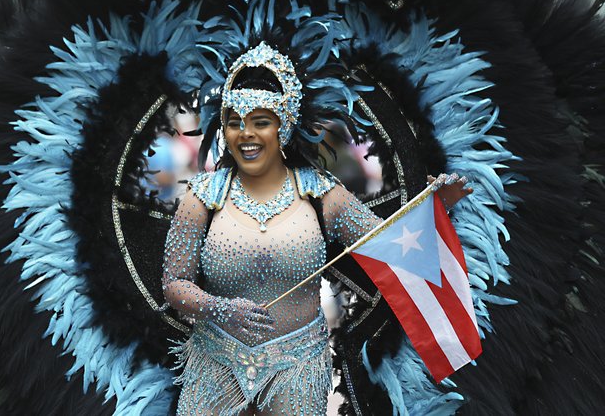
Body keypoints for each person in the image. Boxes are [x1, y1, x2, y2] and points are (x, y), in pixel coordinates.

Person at [161, 43, 471, 416]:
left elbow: (388, 244)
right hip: (216, 361)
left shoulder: (323, 194)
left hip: (298, 366)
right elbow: (174, 283)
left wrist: (437, 208)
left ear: (285, 126)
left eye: (261, 121)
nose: (246, 135)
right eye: (235, 122)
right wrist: (219, 309)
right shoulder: (201, 196)